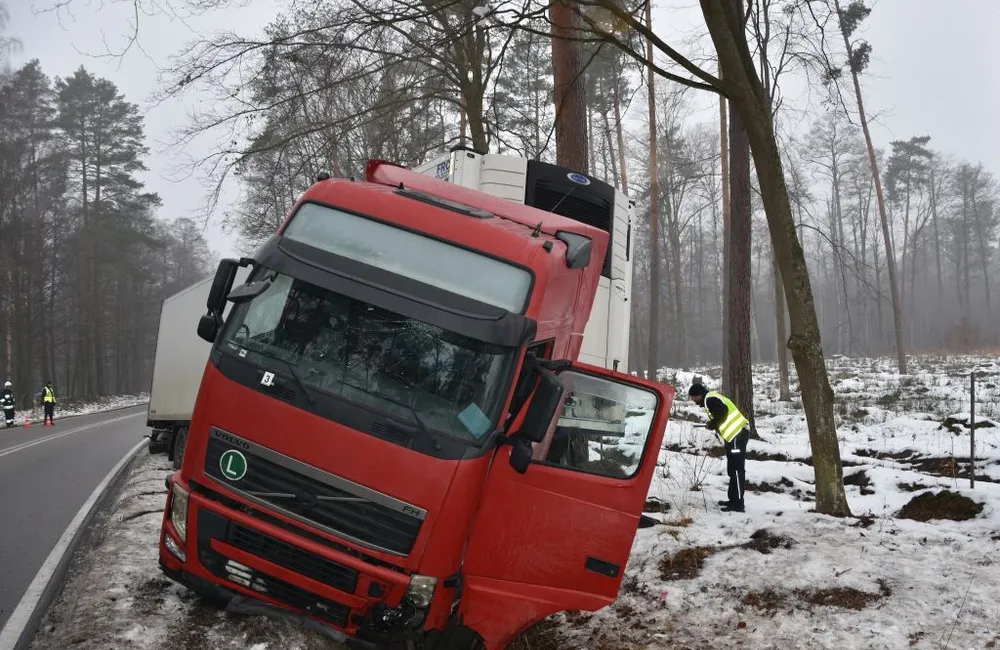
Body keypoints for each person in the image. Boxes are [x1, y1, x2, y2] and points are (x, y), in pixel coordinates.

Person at [689, 382, 750, 513]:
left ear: (699, 394)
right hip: (734, 437)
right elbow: (720, 415)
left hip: (737, 436)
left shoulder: (709, 399)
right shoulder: (711, 398)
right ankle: (733, 500)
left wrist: (712, 424)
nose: (693, 400)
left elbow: (723, 413)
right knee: (732, 470)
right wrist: (713, 424)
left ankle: (738, 504)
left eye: (693, 397)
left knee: (737, 470)